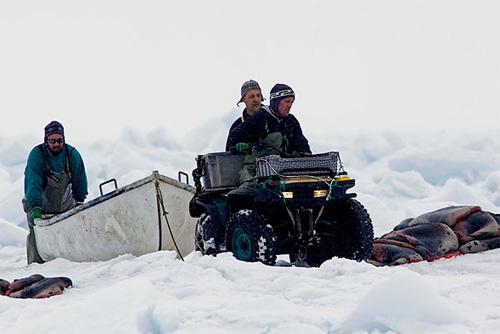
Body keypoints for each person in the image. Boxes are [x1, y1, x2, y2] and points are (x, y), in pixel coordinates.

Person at [23, 121, 88, 264]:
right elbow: (32, 183)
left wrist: (79, 202)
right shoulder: (37, 155)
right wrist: (35, 209)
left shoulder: (71, 155)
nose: (56, 144)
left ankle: (73, 265)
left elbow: (80, 180)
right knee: (37, 237)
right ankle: (36, 267)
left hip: (64, 206)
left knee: (69, 240)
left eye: (60, 140)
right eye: (52, 141)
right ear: (46, 140)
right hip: (40, 206)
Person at [231, 83, 312, 182]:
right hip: (258, 172)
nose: (289, 105)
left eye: (291, 102)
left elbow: (302, 144)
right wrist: (241, 146)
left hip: (286, 171)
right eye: (286, 102)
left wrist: (306, 157)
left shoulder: (291, 121)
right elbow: (233, 140)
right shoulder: (259, 118)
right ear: (276, 102)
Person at [225, 79, 268, 151]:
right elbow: (227, 155)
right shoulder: (237, 126)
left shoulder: (271, 118)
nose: (256, 99)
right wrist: (237, 149)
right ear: (243, 99)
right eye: (252, 96)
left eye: (258, 95)